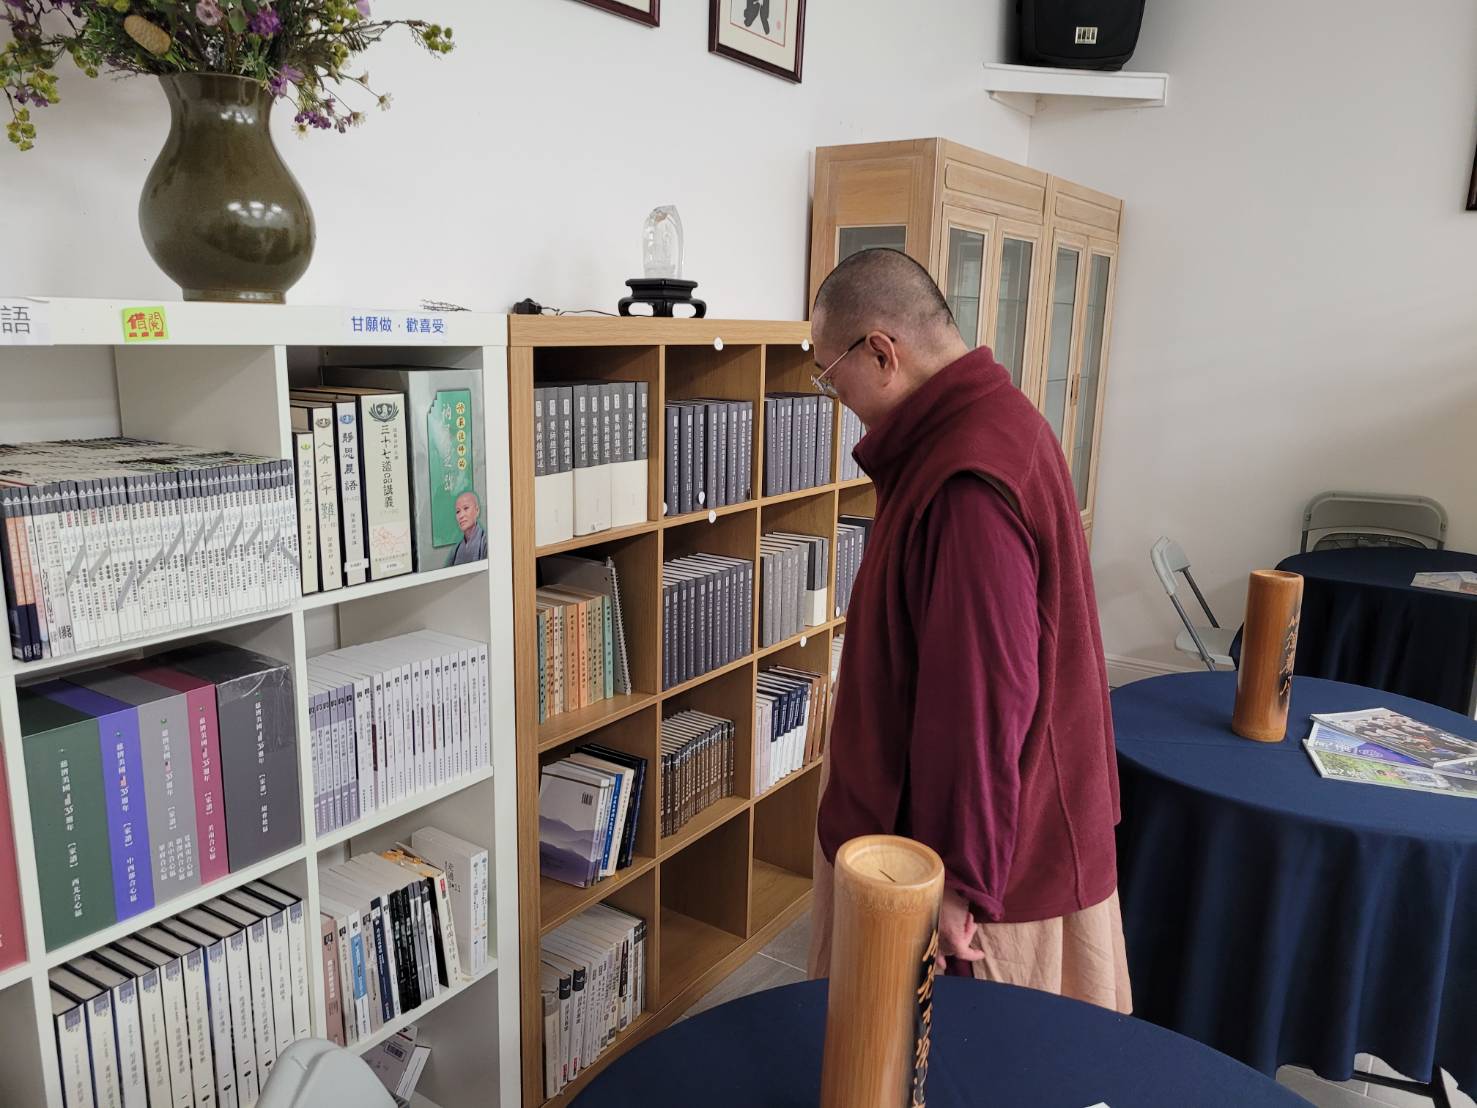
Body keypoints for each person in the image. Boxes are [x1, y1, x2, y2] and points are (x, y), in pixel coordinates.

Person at [806, 248, 1130, 1013]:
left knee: (957, 1053)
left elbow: (981, 701)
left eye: (829, 375)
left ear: (880, 352)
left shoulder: (964, 483)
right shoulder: (991, 421)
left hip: (981, 861)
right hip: (982, 825)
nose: (833, 396)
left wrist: (959, 878)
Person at [446, 490, 487, 566]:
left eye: (466, 508)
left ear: (477, 511)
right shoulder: (456, 550)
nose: (461, 516)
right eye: (458, 511)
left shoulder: (486, 542)